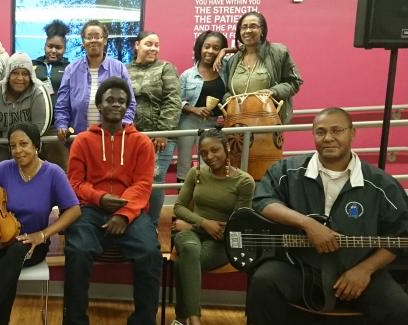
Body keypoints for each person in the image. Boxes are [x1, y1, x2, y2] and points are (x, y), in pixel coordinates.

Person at [246, 108, 408, 324]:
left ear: (352, 133)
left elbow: (399, 236)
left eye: (337, 130)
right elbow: (263, 202)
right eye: (320, 132)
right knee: (263, 282)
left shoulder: (382, 185)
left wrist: (365, 270)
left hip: (357, 269)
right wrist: (307, 224)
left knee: (400, 308)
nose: (328, 138)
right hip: (300, 268)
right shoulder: (287, 170)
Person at [64, 77, 161, 325]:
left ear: (127, 105)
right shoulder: (83, 141)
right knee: (78, 251)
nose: (116, 104)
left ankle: (143, 320)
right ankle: (75, 320)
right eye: (110, 100)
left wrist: (122, 213)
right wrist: (100, 198)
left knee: (149, 253)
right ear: (99, 105)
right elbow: (74, 183)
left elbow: (142, 184)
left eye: (121, 101)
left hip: (131, 212)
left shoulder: (141, 142)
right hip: (90, 209)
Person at [0, 122, 81, 325]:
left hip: (32, 245)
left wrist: (43, 234)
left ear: (36, 146)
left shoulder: (53, 173)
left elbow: (75, 210)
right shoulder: (4, 169)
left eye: (23, 144)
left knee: (15, 253)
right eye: (13, 146)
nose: (18, 150)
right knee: (9, 267)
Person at [171, 128, 255, 325]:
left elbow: (238, 225)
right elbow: (178, 207)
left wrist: (191, 225)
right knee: (190, 249)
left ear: (226, 148)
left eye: (215, 150)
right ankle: (195, 320)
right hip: (190, 235)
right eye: (203, 153)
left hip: (221, 241)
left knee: (184, 262)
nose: (209, 157)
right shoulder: (196, 173)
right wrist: (202, 223)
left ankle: (181, 318)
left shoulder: (244, 182)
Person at [126, 30, 181, 226]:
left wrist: (163, 131)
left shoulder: (166, 68)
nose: (153, 48)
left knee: (155, 180)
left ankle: (152, 226)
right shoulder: (125, 69)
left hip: (160, 137)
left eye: (156, 45)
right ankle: (134, 222)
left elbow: (172, 101)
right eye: (149, 44)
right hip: (131, 136)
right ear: (137, 44)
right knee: (132, 179)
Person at [54, 20, 136, 142]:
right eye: (89, 37)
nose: (93, 40)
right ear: (83, 42)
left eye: (97, 36)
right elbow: (62, 105)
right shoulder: (71, 70)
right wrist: (61, 125)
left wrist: (123, 125)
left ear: (105, 40)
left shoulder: (119, 68)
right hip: (79, 138)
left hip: (111, 138)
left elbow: (130, 103)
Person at [216, 11, 303, 124]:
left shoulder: (278, 52)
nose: (248, 30)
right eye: (244, 27)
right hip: (238, 123)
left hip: (269, 121)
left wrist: (273, 91)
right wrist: (227, 99)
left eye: (253, 26)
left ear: (262, 30)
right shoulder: (233, 60)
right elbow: (228, 91)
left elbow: (295, 82)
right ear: (239, 32)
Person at [0, 52, 52, 168]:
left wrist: (15, 143)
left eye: (25, 74)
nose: (20, 78)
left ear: (31, 76)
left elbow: (40, 129)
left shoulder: (39, 91)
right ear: (7, 75)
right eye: (15, 73)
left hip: (28, 148)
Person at [176, 31, 229, 184]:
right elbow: (177, 100)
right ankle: (184, 199)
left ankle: (205, 198)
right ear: (200, 48)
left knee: (209, 163)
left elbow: (242, 50)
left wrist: (225, 52)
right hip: (188, 122)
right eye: (207, 47)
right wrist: (194, 109)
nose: (210, 51)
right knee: (184, 163)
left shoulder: (226, 70)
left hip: (212, 123)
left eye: (216, 48)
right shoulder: (188, 75)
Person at [33, 19, 71, 170]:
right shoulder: (33, 65)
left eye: (59, 47)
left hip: (58, 129)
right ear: (44, 45)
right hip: (34, 126)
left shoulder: (70, 68)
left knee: (61, 172)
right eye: (50, 46)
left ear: (65, 48)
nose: (53, 51)